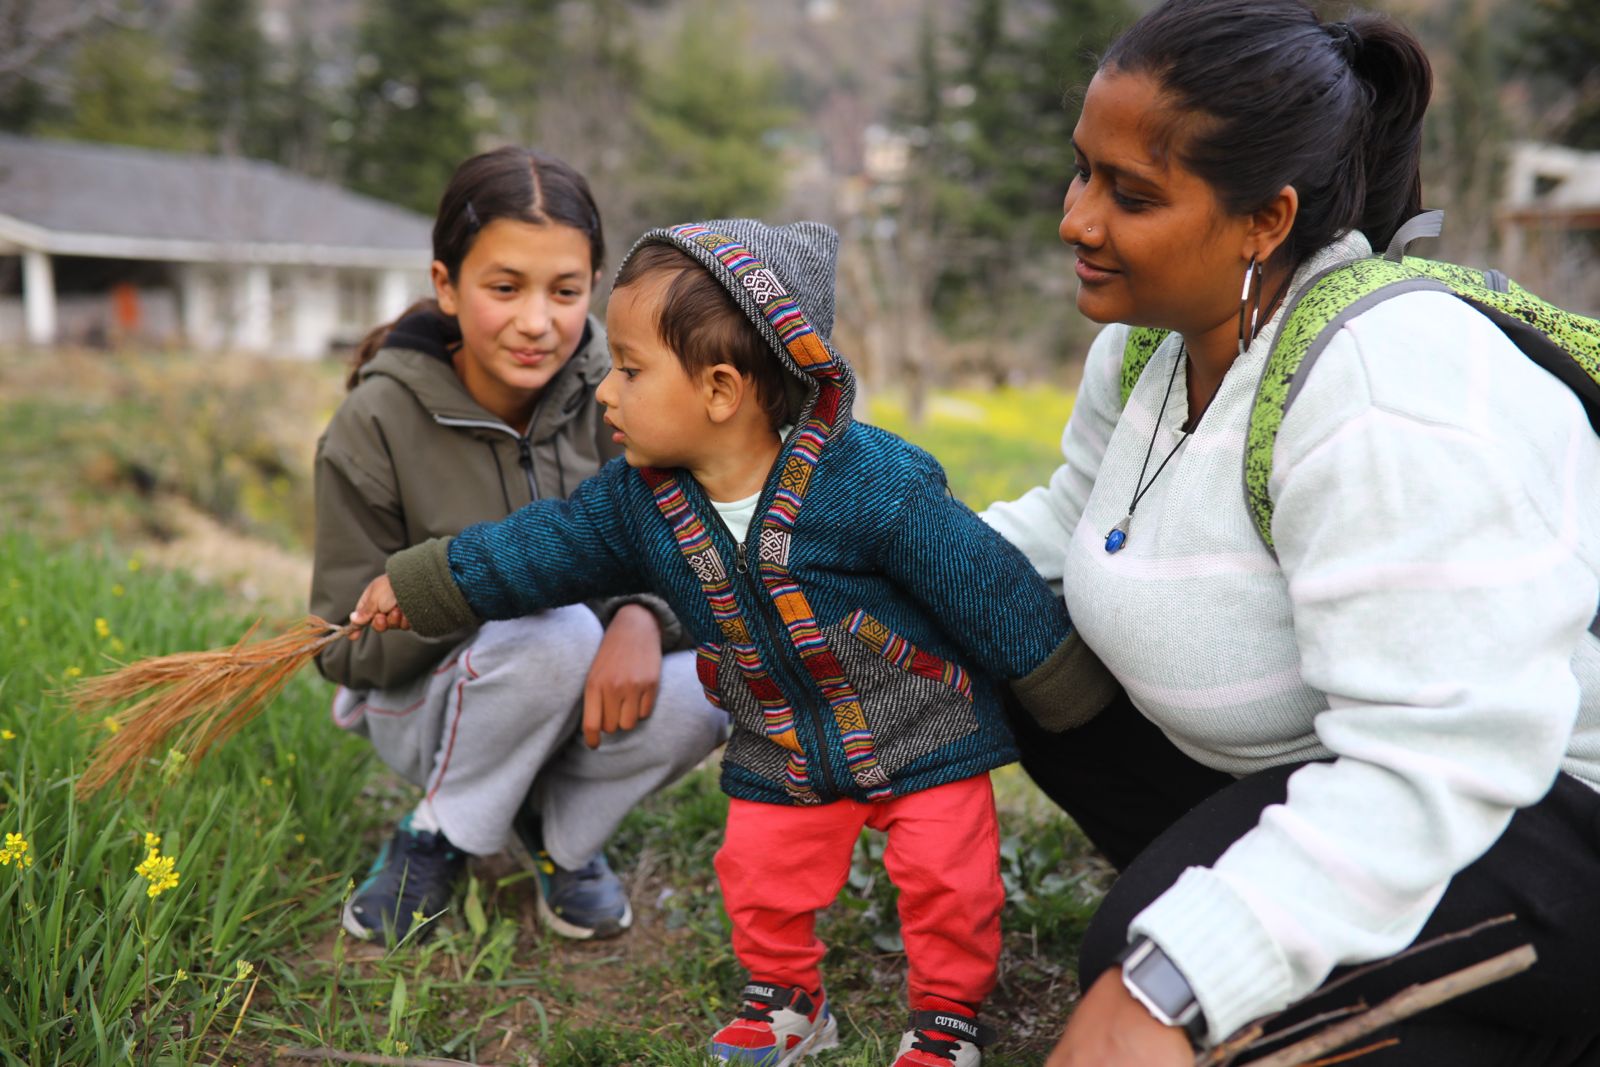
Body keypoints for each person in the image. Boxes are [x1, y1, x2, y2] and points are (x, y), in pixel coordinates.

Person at [978, 1, 1600, 1064]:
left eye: (1129, 194)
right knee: (993, 619)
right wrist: (800, 570)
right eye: (1081, 171)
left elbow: (1444, 748)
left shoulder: (1380, 384)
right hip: (1328, 762)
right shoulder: (1154, 348)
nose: (1075, 220)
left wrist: (1174, 976)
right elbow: (1051, 532)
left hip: (1536, 806)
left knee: (1183, 1002)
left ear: (1265, 220)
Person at [350, 217, 1112, 1066]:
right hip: (783, 740)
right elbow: (543, 545)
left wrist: (1055, 676)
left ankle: (945, 1014)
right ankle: (786, 998)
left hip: (920, 722)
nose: (606, 390)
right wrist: (431, 582)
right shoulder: (638, 502)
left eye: (631, 370)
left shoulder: (872, 482)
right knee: (758, 869)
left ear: (719, 390)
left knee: (948, 879)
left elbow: (982, 577)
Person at [310, 146, 727, 946]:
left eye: (565, 291)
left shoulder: (631, 395)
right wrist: (469, 593)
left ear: (595, 288)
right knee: (556, 632)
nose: (537, 321)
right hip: (431, 700)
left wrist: (644, 616)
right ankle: (436, 834)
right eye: (504, 288)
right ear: (446, 285)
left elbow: (698, 557)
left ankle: (562, 839)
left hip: (583, 687)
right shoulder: (375, 423)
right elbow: (342, 647)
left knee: (715, 678)